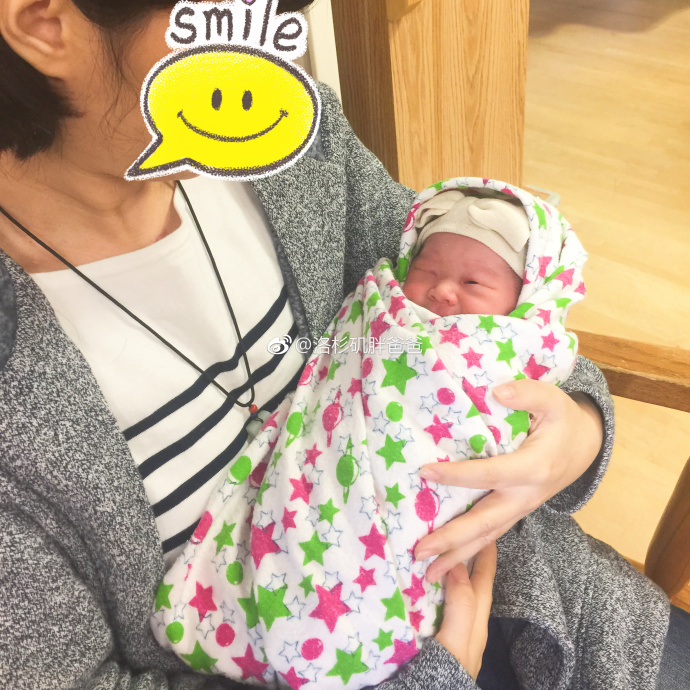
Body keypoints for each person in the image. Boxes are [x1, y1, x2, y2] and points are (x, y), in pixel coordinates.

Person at [0, 1, 684, 688]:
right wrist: (433, 678)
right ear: (43, 21)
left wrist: (576, 431)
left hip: (550, 600)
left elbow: (484, 305)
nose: (272, 53)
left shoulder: (284, 135)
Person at [151, 179, 589, 689]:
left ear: (526, 299)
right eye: (426, 272)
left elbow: (543, 357)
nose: (442, 291)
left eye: (473, 284)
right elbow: (355, 346)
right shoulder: (386, 313)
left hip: (521, 573)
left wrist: (581, 430)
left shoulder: (303, 156)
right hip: (363, 568)